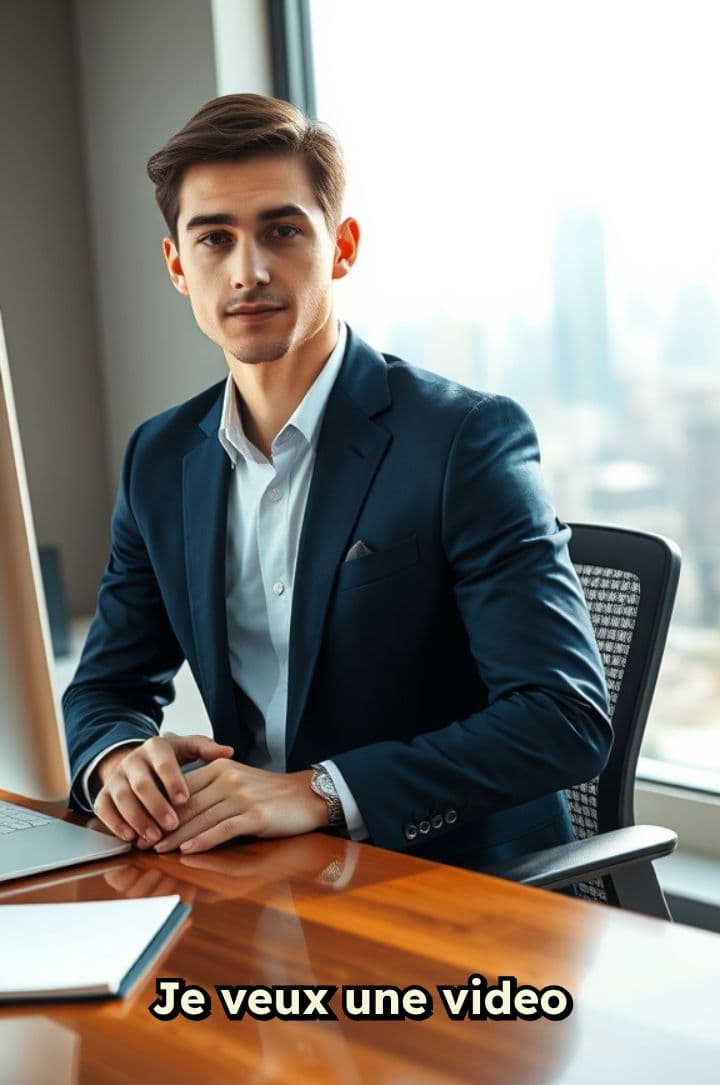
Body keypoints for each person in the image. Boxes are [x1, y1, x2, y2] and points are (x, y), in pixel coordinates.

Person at [63, 93, 612, 872]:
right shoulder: (160, 457)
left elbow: (563, 718)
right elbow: (106, 687)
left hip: (445, 878)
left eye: (282, 231)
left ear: (342, 247)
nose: (249, 271)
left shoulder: (463, 440)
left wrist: (321, 792)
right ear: (178, 266)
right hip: (250, 869)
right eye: (214, 239)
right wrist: (120, 761)